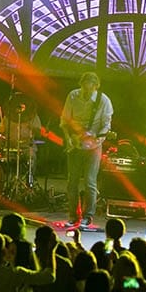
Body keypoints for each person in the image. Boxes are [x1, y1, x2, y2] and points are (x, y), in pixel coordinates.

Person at [59, 72, 113, 227]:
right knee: (72, 182)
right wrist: (68, 139)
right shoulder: (73, 96)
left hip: (93, 146)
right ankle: (72, 216)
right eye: (84, 88)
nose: (86, 91)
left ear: (96, 87)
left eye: (89, 89)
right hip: (75, 143)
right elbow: (65, 121)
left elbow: (106, 124)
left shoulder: (103, 100)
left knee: (90, 181)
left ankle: (88, 216)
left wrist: (98, 139)